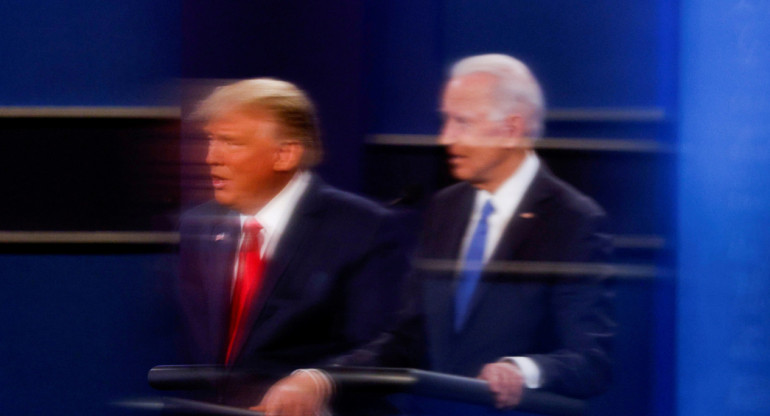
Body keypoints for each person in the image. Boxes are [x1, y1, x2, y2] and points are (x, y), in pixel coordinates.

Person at [256, 54, 613, 415]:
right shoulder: (445, 208)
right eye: (445, 120)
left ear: (511, 128)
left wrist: (523, 370)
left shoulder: (573, 220)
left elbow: (590, 361)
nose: (445, 138)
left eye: (461, 122)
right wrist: (322, 379)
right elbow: (407, 338)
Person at [175, 78, 409, 406]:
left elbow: (390, 345)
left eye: (231, 142)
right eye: (211, 139)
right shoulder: (198, 226)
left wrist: (319, 382)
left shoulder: (363, 228)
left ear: (285, 154)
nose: (211, 157)